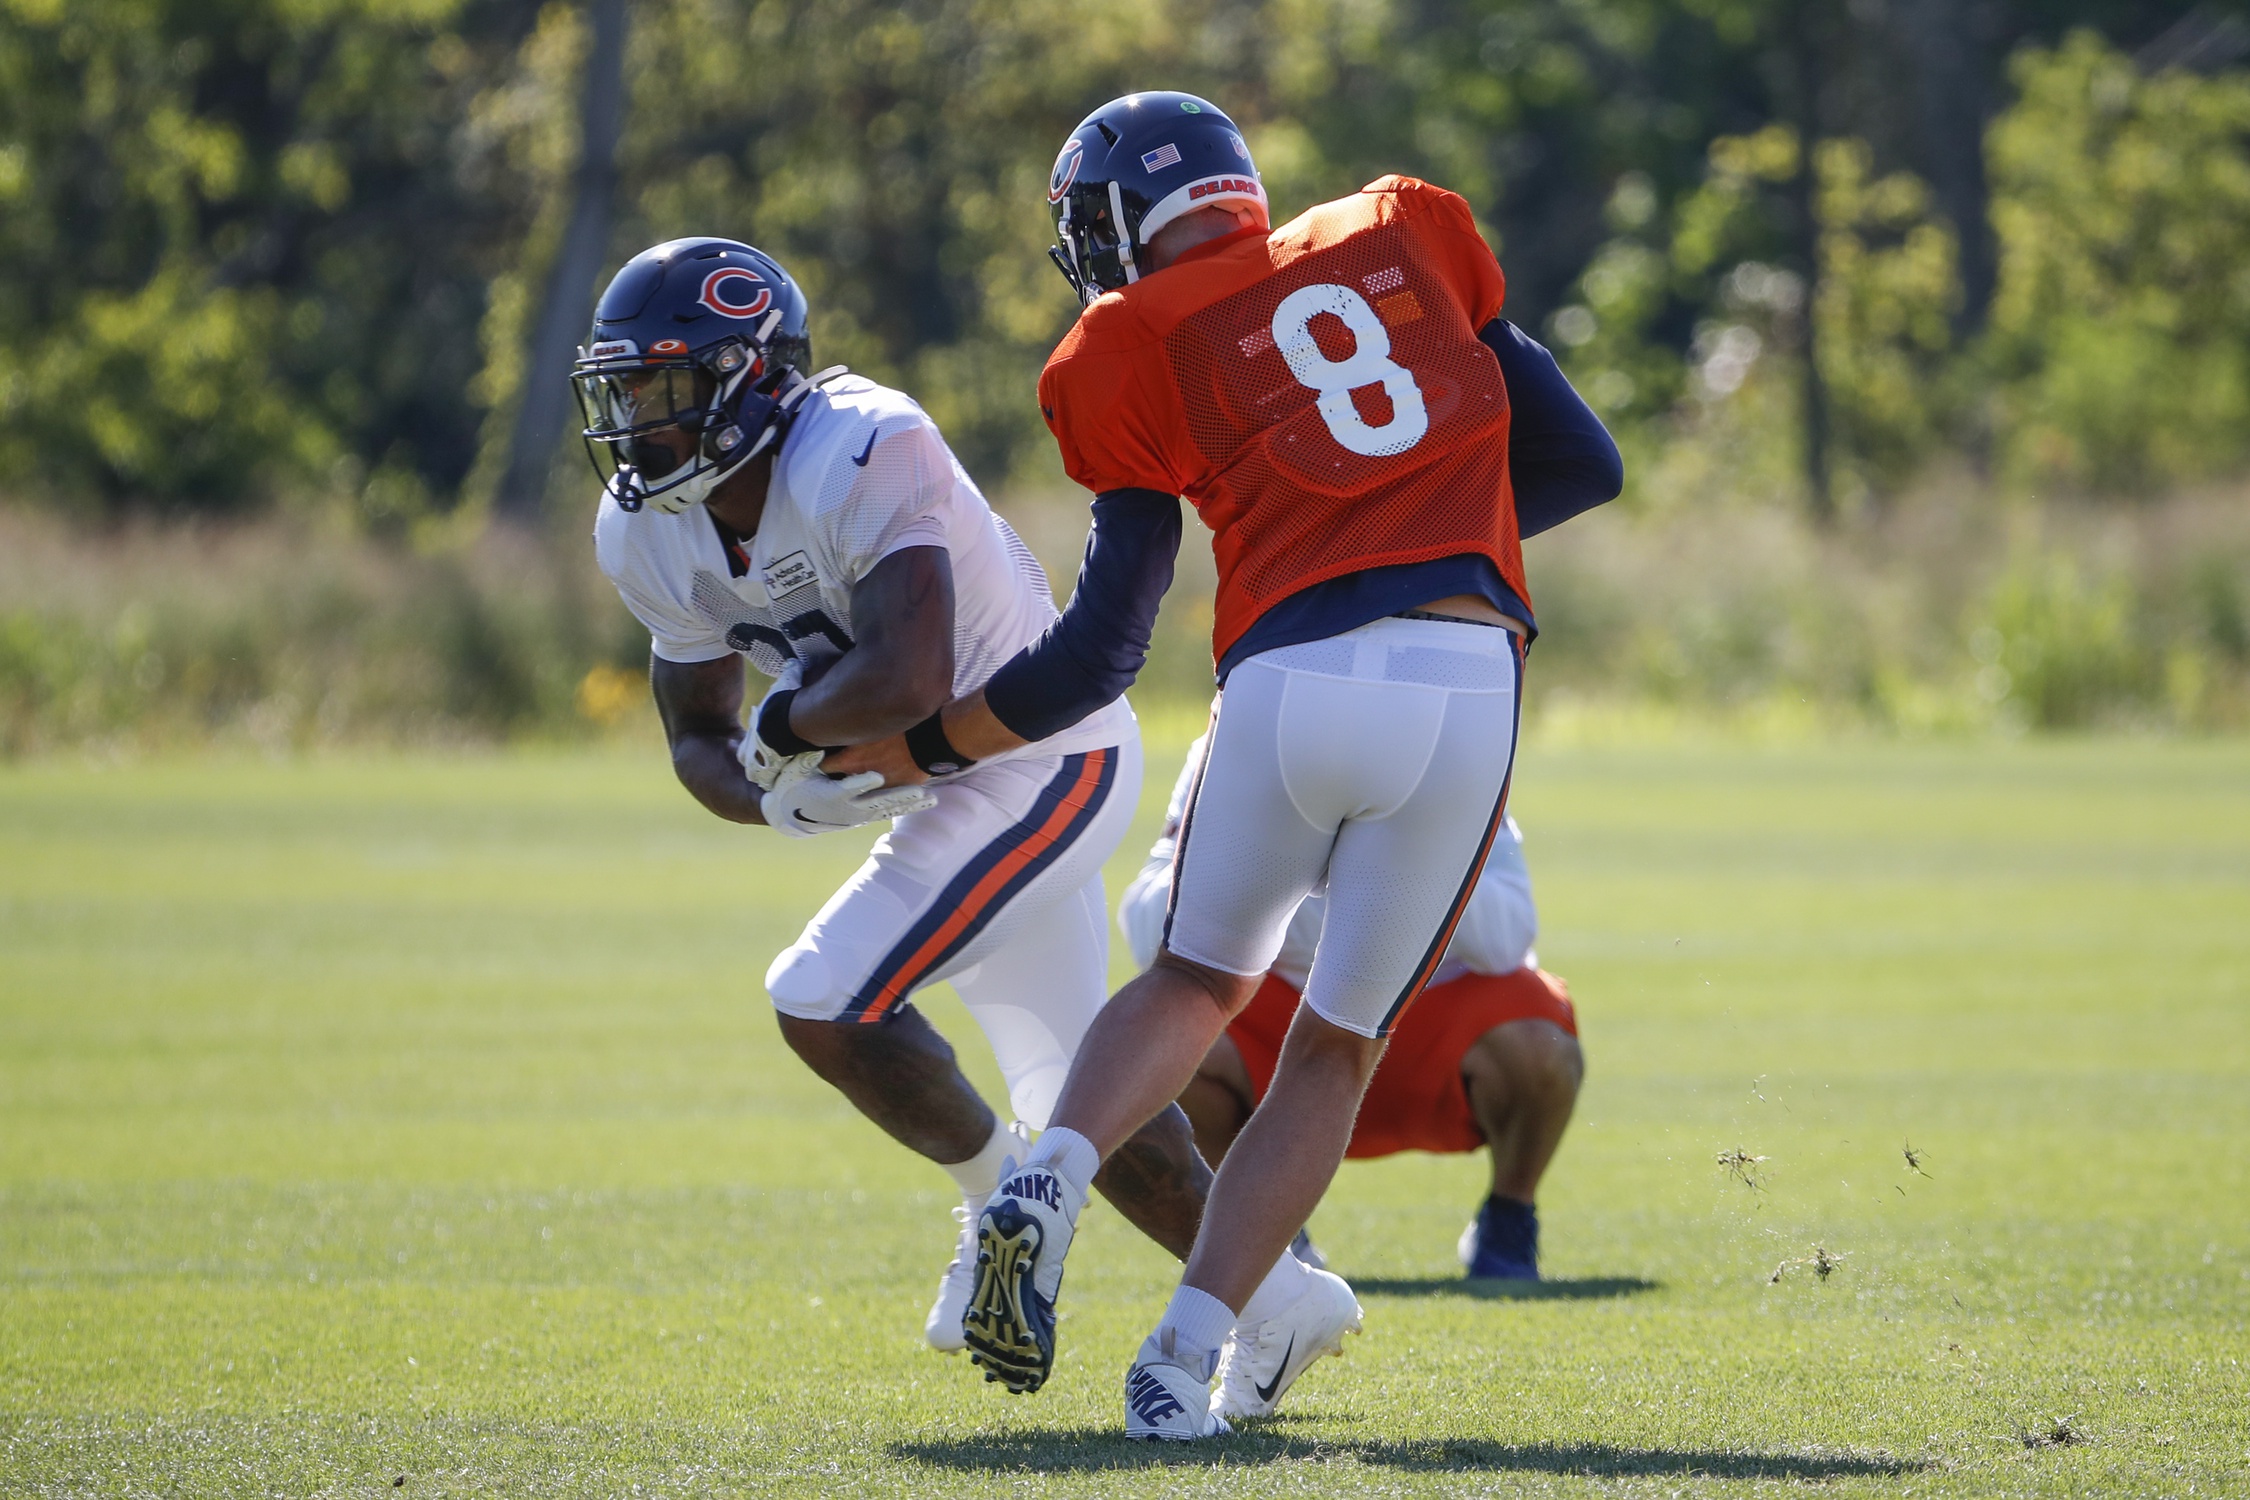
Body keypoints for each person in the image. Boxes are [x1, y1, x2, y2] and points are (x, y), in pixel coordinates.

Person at [821, 91, 1620, 1438]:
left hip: (1288, 679)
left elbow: (1095, 654)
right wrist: (1434, 530)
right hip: (1464, 674)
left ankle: (1042, 1187)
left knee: (1193, 977)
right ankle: (1179, 1367)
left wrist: (918, 747)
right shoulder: (1403, 227)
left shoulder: (1118, 342)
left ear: (1123, 225)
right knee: (1334, 1047)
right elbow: (1580, 458)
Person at [576, 236, 1247, 1356]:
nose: (638, 418)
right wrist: (771, 799)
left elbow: (907, 676)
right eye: (623, 388)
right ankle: (1280, 1300)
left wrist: (784, 733)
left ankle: (995, 1203)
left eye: (665, 384)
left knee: (820, 994)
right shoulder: (643, 530)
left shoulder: (862, 443)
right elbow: (696, 733)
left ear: (751, 378)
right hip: (944, 788)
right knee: (1078, 1095)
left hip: (1042, 758)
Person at [1120, 735, 1584, 1285]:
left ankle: (1509, 1217)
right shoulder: (1230, 743)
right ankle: (1267, 1229)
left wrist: (1404, 853)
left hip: (1424, 1014)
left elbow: (1507, 937)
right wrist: (1254, 853)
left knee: (1540, 1040)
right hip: (1279, 1022)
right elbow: (1147, 926)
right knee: (1160, 1044)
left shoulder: (1454, 744)